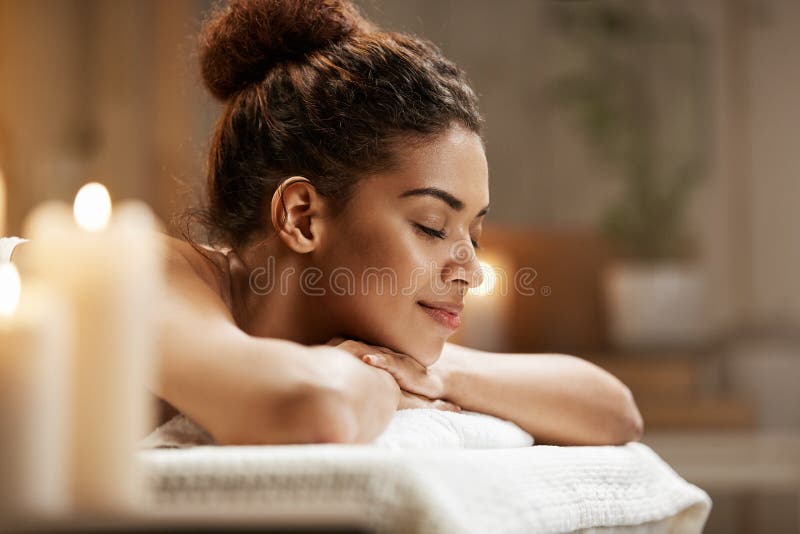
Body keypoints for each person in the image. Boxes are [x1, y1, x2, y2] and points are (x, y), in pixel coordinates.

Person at [12, 0, 644, 447]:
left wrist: (439, 374)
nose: (472, 270)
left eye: (472, 232)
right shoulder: (142, 270)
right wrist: (379, 380)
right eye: (431, 225)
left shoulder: (355, 330)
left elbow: (612, 408)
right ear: (301, 216)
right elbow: (313, 411)